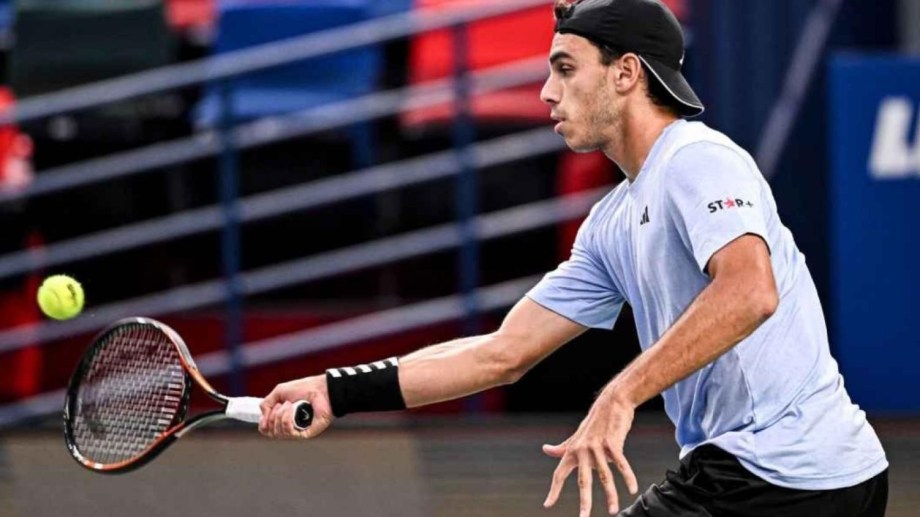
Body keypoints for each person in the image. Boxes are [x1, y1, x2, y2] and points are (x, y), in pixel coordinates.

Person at [259, 0, 889, 515]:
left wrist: (621, 395)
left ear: (626, 73)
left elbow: (750, 292)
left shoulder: (698, 159)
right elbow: (501, 354)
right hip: (792, 475)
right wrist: (339, 391)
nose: (545, 92)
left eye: (565, 69)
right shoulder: (610, 223)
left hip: (783, 473)